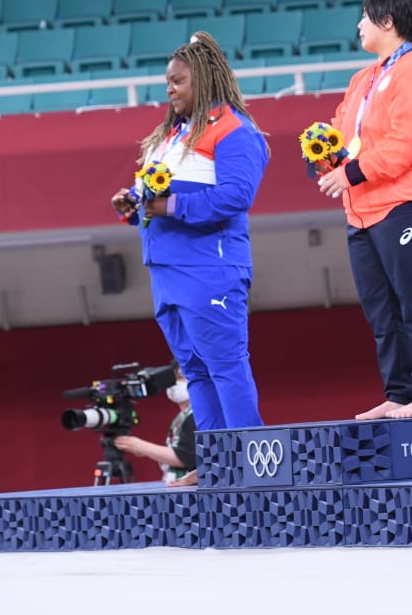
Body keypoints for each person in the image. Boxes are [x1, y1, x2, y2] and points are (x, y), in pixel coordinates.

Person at [110, 31, 270, 455]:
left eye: (178, 80)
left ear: (204, 79)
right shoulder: (171, 136)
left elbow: (236, 196)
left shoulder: (235, 130)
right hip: (166, 272)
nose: (170, 89)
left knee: (225, 366)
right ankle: (216, 463)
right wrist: (133, 205)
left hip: (208, 268)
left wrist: (170, 206)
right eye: (168, 81)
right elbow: (154, 199)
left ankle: (254, 463)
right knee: (195, 372)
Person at [315, 0, 412, 420]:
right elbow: (343, 132)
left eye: (365, 16)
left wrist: (350, 173)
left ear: (388, 22)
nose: (359, 24)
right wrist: (324, 154)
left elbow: (406, 143)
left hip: (409, 203)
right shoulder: (363, 78)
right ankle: (400, 393)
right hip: (362, 211)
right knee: (382, 312)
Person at [113, 365, 197, 486]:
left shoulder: (195, 415)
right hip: (173, 483)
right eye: (173, 378)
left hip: (188, 488)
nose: (175, 384)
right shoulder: (181, 416)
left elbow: (185, 457)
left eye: (181, 378)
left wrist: (141, 446)